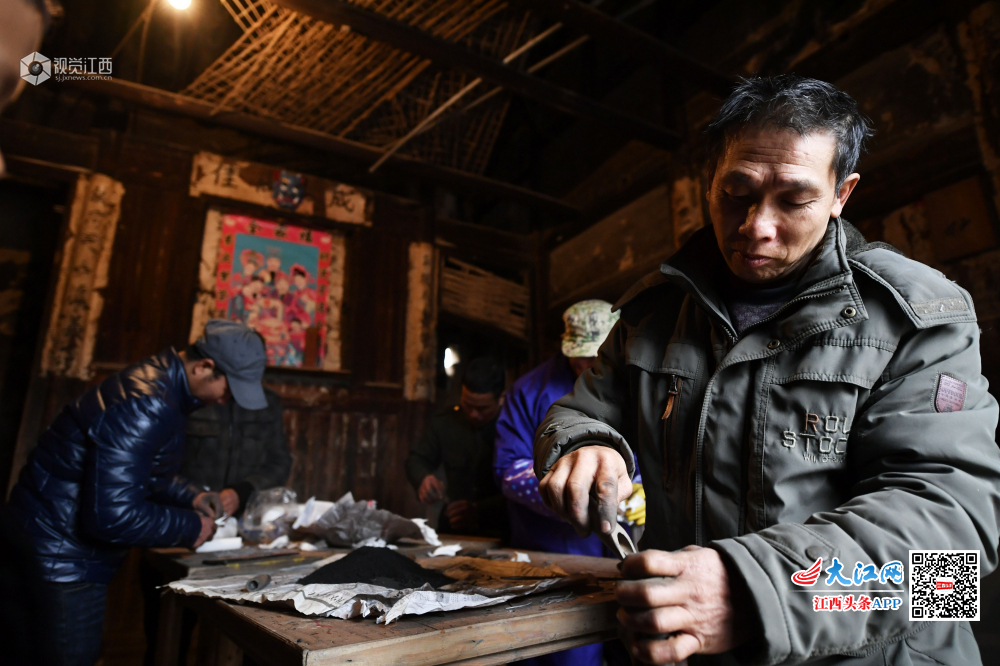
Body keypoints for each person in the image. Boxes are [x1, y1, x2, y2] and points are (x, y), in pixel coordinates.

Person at [534, 75, 1000, 666]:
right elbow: (580, 412)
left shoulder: (920, 318)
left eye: (794, 199)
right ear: (712, 181)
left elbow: (954, 565)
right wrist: (584, 444)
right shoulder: (651, 315)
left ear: (841, 195)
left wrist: (762, 593)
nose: (757, 224)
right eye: (738, 191)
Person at [8, 319, 268, 666]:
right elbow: (110, 516)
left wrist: (190, 495)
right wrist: (191, 526)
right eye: (228, 389)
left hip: (43, 541)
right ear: (205, 367)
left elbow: (136, 472)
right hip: (61, 560)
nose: (224, 401)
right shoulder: (148, 404)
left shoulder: (160, 387)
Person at [494, 299, 644, 666]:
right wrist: (576, 493)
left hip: (619, 555)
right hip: (544, 552)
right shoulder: (530, 390)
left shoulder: (634, 383)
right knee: (554, 654)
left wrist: (640, 489)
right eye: (580, 356)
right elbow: (509, 471)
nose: (586, 365)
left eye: (597, 356)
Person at [406, 357, 508, 538]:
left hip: (502, 530)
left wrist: (479, 511)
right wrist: (423, 478)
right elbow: (417, 459)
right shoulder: (446, 423)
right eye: (468, 405)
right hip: (453, 529)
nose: (474, 414)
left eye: (483, 408)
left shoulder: (514, 428)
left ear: (501, 398)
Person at [181, 385, 292, 516]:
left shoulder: (266, 401)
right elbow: (165, 465)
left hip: (246, 515)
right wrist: (193, 495)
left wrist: (242, 493)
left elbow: (280, 463)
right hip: (189, 510)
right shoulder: (192, 396)